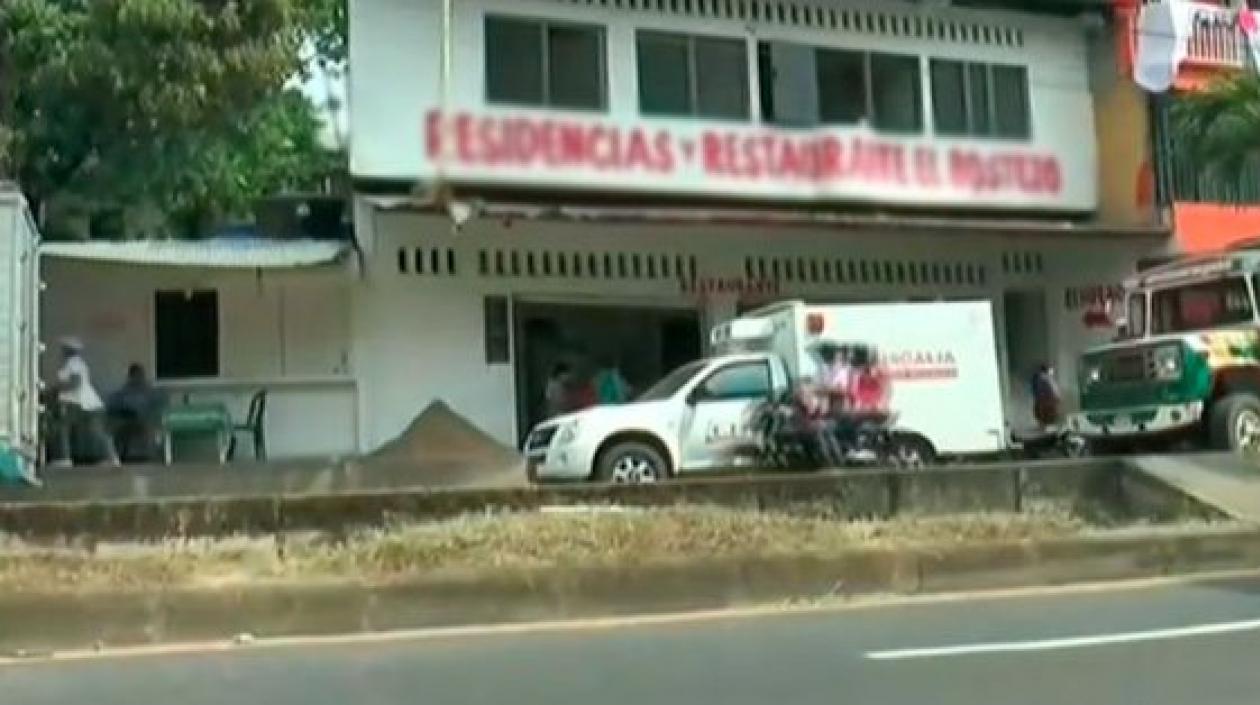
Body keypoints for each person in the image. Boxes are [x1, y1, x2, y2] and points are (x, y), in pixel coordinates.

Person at [52, 337, 119, 467]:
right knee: (95, 431)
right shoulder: (75, 363)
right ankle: (111, 457)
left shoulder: (73, 364)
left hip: (77, 402)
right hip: (87, 403)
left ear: (68, 351)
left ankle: (64, 458)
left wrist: (57, 388)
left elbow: (75, 383)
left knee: (63, 428)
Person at [106, 363, 167, 462]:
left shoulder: (148, 392)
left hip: (139, 430)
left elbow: (161, 402)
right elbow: (112, 406)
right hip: (131, 430)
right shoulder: (125, 393)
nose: (138, 379)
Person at [1031, 363, 1062, 428]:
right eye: (1051, 370)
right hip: (1046, 401)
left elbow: (1036, 391)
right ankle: (1046, 426)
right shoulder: (1046, 378)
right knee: (1047, 417)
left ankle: (1045, 425)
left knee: (1045, 417)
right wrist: (1057, 398)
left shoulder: (1040, 378)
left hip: (1044, 401)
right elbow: (1053, 390)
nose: (1052, 372)